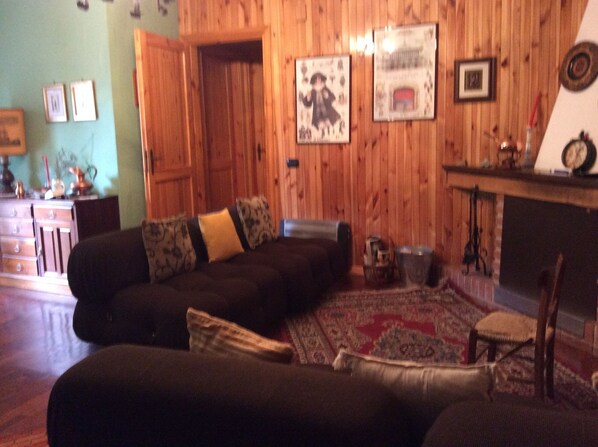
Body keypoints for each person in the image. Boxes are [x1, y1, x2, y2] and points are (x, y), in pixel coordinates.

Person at [301, 72, 341, 137]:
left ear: (322, 79)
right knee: (320, 124)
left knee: (329, 123)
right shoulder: (312, 91)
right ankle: (322, 133)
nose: (318, 81)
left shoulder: (325, 88)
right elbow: (308, 104)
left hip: (327, 111)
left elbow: (333, 98)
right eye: (316, 79)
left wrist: (327, 96)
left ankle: (329, 132)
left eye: (319, 79)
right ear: (314, 81)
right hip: (317, 112)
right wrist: (308, 98)